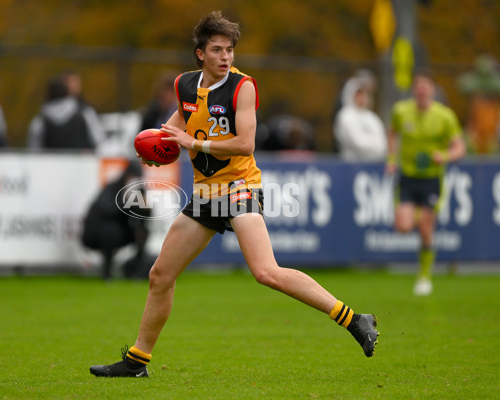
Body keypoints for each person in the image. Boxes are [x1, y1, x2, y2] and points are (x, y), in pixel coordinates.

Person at [90, 11, 379, 379]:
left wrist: (192, 142)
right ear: (200, 54)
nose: (225, 57)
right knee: (160, 274)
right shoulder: (184, 86)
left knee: (265, 272)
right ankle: (137, 361)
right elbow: (172, 130)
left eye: (229, 50)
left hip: (239, 187)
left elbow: (245, 144)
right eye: (217, 50)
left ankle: (355, 319)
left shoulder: (243, 87)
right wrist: (154, 145)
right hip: (206, 193)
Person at [386, 69, 466, 296]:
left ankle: (424, 276)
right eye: (418, 86)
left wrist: (445, 156)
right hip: (408, 177)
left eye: (426, 86)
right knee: (402, 226)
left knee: (426, 230)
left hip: (431, 178)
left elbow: (460, 147)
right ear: (414, 90)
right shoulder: (401, 112)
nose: (422, 90)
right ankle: (421, 217)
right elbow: (392, 133)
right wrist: (392, 159)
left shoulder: (444, 116)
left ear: (432, 90)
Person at [81, 161, 150, 280]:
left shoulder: (138, 191)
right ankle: (106, 272)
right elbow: (107, 210)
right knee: (111, 231)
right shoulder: (113, 188)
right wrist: (127, 202)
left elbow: (144, 216)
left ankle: (135, 270)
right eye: (132, 176)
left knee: (143, 232)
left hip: (119, 230)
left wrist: (144, 208)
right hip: (96, 233)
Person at [27, 76, 105, 150]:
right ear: (67, 92)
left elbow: (34, 150)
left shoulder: (40, 121)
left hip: (51, 163)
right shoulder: (86, 113)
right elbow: (100, 141)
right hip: (82, 162)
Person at [334, 76, 387, 161]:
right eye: (358, 95)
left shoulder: (372, 117)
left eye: (363, 95)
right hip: (350, 164)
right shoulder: (345, 116)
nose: (361, 98)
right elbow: (356, 142)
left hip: (373, 163)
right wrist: (372, 142)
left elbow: (382, 144)